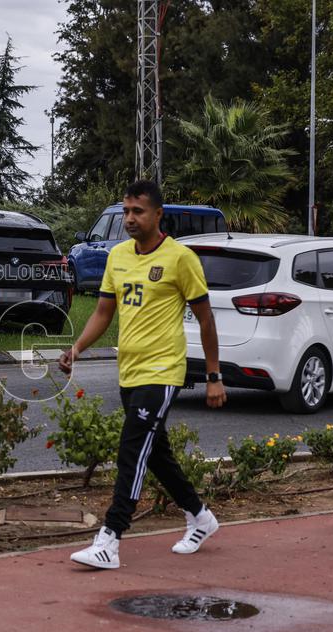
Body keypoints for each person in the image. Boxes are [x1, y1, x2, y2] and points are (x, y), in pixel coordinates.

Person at [58, 180, 227, 570]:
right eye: (126, 211)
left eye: (138, 211)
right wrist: (77, 348)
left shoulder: (180, 259)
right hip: (129, 372)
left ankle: (110, 539)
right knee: (156, 456)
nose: (130, 218)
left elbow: (206, 320)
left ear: (158, 214)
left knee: (131, 451)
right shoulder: (117, 256)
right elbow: (103, 312)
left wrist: (214, 376)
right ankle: (200, 515)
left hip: (163, 371)